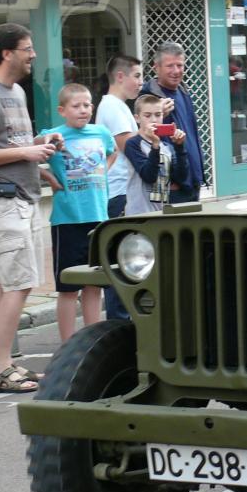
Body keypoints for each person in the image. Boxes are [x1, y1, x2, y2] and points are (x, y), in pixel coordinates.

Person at [0, 23, 63, 393]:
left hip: (22, 196)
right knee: (19, 284)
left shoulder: (16, 92)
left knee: (6, 284)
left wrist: (39, 151)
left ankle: (6, 361)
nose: (33, 54)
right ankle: (1, 366)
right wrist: (27, 153)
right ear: (7, 53)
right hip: (2, 199)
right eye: (27, 48)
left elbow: (9, 144)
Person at [47, 84, 116, 341]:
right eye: (76, 106)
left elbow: (113, 152)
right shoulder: (54, 135)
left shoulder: (101, 133)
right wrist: (46, 174)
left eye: (87, 105)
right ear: (62, 110)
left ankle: (91, 340)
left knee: (94, 285)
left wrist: (102, 170)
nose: (83, 110)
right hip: (67, 220)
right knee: (68, 287)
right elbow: (29, 154)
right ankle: (67, 343)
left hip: (98, 219)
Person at [98, 54, 144, 321]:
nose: (140, 82)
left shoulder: (118, 106)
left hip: (122, 191)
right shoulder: (113, 107)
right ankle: (119, 322)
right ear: (120, 76)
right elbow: (130, 146)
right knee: (120, 261)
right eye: (136, 76)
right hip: (118, 193)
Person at [141, 42, 205, 203]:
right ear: (156, 67)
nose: (176, 71)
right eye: (170, 66)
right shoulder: (147, 97)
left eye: (180, 65)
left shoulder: (183, 91)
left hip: (192, 182)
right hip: (172, 188)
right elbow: (142, 139)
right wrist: (157, 113)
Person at [124, 94, 189, 214]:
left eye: (158, 115)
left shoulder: (166, 147)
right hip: (138, 214)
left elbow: (181, 178)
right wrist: (155, 145)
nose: (154, 120)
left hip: (161, 213)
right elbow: (149, 176)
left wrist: (180, 147)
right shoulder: (133, 144)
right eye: (147, 115)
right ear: (137, 118)